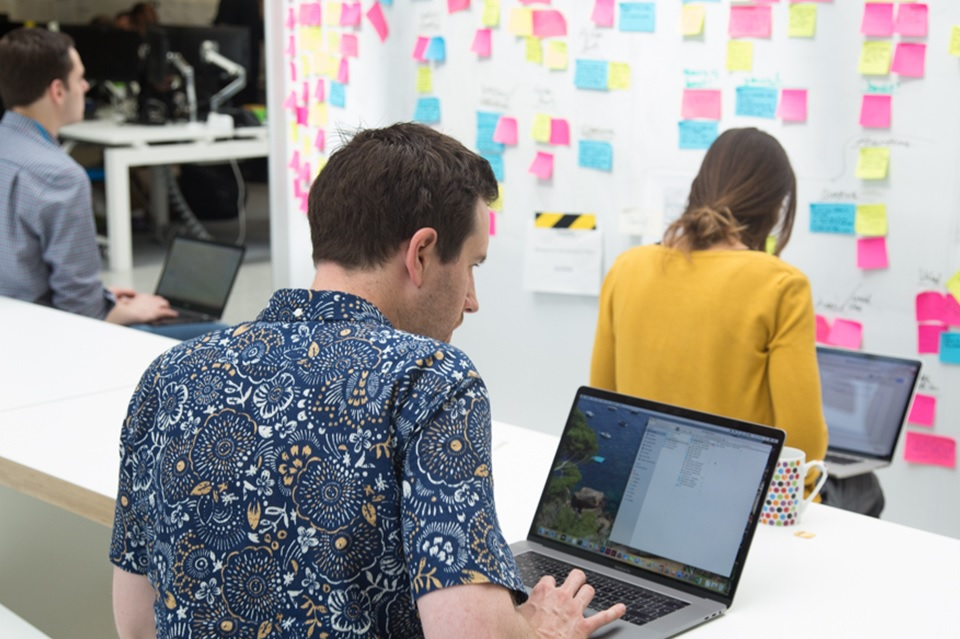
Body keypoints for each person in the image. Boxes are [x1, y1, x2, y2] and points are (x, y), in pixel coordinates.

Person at [110, 123, 626, 639]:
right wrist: (546, 629)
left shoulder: (172, 373)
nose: (471, 299)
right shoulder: (430, 380)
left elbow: (135, 625)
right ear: (421, 253)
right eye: (471, 266)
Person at [590, 127, 829, 498]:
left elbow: (601, 408)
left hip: (635, 496)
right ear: (776, 208)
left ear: (699, 187)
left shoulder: (626, 268)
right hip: (731, 507)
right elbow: (804, 448)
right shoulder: (782, 285)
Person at [0, 27, 218, 340]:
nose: (86, 87)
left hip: (14, 326)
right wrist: (123, 310)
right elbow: (81, 312)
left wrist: (100, 294)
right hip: (48, 336)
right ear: (58, 91)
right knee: (220, 334)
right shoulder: (60, 176)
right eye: (80, 78)